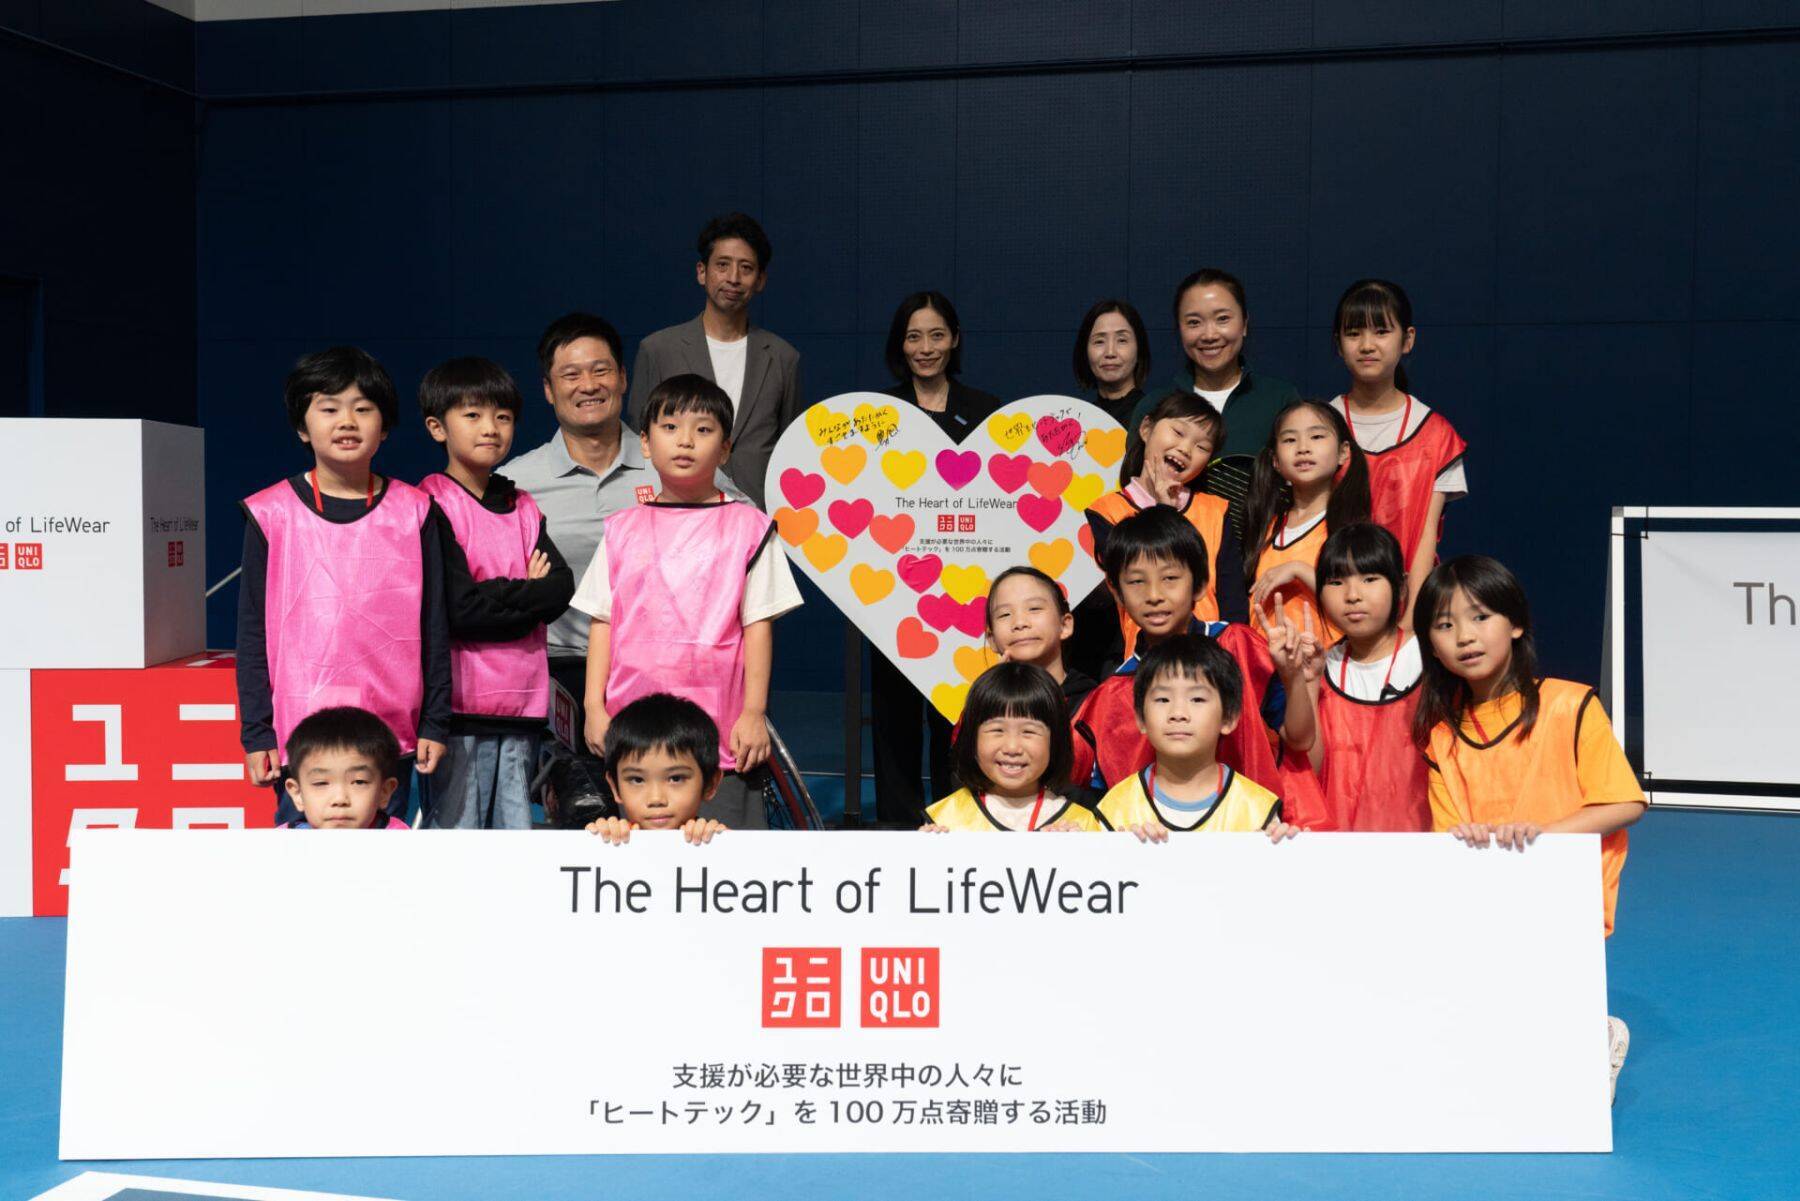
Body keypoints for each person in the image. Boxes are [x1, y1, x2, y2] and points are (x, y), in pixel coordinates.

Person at [1414, 555, 1645, 1101]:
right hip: (1488, 892)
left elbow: (1624, 802)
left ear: (1516, 623)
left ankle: (1594, 1038)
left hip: (1564, 891)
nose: (1464, 636)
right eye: (1445, 625)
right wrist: (1469, 839)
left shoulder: (1570, 704)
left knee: (1552, 1046)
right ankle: (1589, 1032)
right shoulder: (1441, 737)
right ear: (1432, 646)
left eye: (1480, 617)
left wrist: (1540, 838)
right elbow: (1447, 833)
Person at [507, 313, 740, 806]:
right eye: (571, 374)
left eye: (601, 370)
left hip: (665, 669)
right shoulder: (518, 483)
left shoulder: (675, 453)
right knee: (588, 821)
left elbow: (742, 538)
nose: (588, 385)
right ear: (548, 389)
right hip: (564, 672)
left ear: (623, 378)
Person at [571, 374, 802, 830]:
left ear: (726, 448)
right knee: (643, 858)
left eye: (703, 429)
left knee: (724, 854)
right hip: (636, 728)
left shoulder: (750, 528)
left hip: (721, 732)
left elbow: (757, 625)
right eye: (671, 427)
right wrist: (594, 707)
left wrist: (754, 712)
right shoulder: (621, 529)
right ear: (645, 442)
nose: (685, 441)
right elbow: (603, 621)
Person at [236, 346, 449, 825]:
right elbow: (252, 633)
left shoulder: (415, 511)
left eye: (363, 408)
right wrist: (257, 733)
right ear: (302, 426)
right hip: (300, 733)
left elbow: (434, 624)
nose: (347, 422)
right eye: (329, 408)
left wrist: (435, 721)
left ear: (385, 426)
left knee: (382, 860)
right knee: (304, 862)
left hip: (388, 731)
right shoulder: (271, 513)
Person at [416, 357, 574, 829]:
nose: (490, 428)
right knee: (459, 841)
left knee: (515, 842)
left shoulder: (522, 505)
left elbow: (559, 589)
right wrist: (527, 591)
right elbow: (461, 609)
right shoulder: (430, 503)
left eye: (502, 417)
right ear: (437, 427)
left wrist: (501, 594)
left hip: (524, 704)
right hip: (459, 710)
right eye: (473, 415)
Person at [1071, 507, 1315, 805]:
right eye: (1136, 581)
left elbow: (1301, 739)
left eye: (1170, 578)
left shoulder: (1240, 648)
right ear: (1116, 590)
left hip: (1248, 825)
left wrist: (1294, 677)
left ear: (1200, 584)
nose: (1154, 595)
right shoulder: (1112, 695)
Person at [871, 290, 1003, 825]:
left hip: (967, 595)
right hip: (894, 594)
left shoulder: (987, 411)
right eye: (913, 337)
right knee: (895, 718)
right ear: (899, 345)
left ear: (954, 340)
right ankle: (898, 824)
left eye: (936, 335)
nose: (925, 348)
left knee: (958, 716)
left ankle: (959, 819)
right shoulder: (878, 416)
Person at [629, 213, 801, 510]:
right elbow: (638, 440)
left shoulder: (783, 357)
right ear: (702, 272)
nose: (733, 278)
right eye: (722, 265)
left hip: (759, 515)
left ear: (760, 280)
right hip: (678, 513)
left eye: (746, 268)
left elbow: (790, 448)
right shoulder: (658, 349)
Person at [1329, 279, 1469, 624]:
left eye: (1381, 331)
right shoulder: (1319, 427)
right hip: (1331, 608)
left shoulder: (1437, 436)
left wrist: (1410, 625)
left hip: (1407, 610)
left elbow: (1424, 540)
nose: (1367, 345)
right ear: (1338, 344)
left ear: (1408, 339)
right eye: (1353, 333)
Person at [1084, 392, 1247, 660]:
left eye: (1202, 447)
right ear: (1146, 429)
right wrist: (1163, 511)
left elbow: (1234, 602)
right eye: (1178, 432)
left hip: (1212, 658)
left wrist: (1234, 658)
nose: (1185, 449)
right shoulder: (1104, 512)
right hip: (1147, 659)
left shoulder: (1216, 511)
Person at [1127, 268, 1301, 519]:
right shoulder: (1154, 405)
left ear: (1244, 324)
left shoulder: (1280, 399)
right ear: (1179, 329)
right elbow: (1130, 495)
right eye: (1194, 322)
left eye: (1222, 319)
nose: (1209, 335)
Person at [1096, 636, 1299, 842]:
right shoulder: (1116, 810)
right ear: (1141, 718)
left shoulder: (1258, 810)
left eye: (1197, 699)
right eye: (1163, 699)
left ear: (1228, 718)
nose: (1178, 713)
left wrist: (1284, 848)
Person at [1295, 522, 1430, 831]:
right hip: (1341, 845)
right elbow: (1309, 772)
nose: (1353, 595)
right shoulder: (1320, 667)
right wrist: (1307, 684)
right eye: (1336, 582)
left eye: (1369, 579)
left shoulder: (1429, 658)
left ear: (1401, 586)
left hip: (1422, 844)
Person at [1242, 400, 1372, 642]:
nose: (1303, 448)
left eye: (1317, 437)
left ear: (1343, 452)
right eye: (1290, 440)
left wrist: (1299, 571)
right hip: (1261, 659)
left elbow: (1361, 606)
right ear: (1275, 460)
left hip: (1324, 660)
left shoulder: (1353, 532)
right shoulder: (1265, 527)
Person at [920, 662, 1104, 832]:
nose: (1012, 747)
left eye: (1028, 732)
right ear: (972, 739)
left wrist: (1078, 849)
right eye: (997, 730)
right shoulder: (945, 818)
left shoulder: (1079, 824)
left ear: (1055, 741)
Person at [584, 693, 728, 845]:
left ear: (710, 784)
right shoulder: (605, 844)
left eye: (676, 778)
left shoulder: (721, 845)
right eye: (637, 780)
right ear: (615, 786)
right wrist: (596, 843)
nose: (656, 799)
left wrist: (727, 845)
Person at [278, 707, 411, 830]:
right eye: (321, 783)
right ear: (297, 794)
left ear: (384, 792)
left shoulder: (403, 842)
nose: (340, 799)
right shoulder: (280, 843)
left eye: (359, 782)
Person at [1072, 299, 1151, 427]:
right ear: (1085, 352)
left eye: (1122, 340)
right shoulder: (1080, 424)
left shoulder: (1154, 418)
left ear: (1139, 349)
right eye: (1099, 341)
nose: (1110, 352)